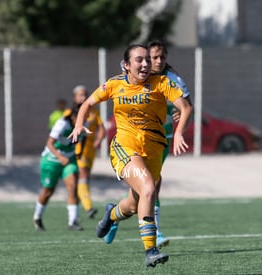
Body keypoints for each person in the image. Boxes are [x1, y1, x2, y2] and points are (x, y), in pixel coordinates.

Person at [68, 44, 192, 267]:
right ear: (126, 65)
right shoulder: (115, 84)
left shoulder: (161, 83)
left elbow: (185, 107)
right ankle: (150, 250)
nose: (145, 64)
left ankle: (112, 214)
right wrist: (78, 125)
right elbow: (88, 103)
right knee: (149, 189)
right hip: (124, 147)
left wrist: (180, 132)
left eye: (147, 60)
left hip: (153, 148)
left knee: (134, 205)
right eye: (139, 60)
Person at [104, 40, 192, 248]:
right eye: (154, 57)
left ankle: (114, 215)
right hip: (134, 141)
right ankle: (156, 234)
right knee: (151, 185)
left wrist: (179, 121)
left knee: (139, 196)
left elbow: (187, 107)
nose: (158, 61)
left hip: (162, 139)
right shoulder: (135, 79)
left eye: (162, 57)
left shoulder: (172, 79)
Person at [33, 104, 84, 232]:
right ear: (73, 116)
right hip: (51, 160)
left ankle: (73, 221)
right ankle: (37, 217)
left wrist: (79, 153)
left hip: (69, 160)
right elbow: (49, 143)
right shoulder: (62, 124)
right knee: (48, 191)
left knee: (72, 187)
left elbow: (84, 139)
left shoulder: (85, 124)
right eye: (80, 116)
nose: (83, 118)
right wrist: (60, 157)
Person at [70, 85, 106, 219]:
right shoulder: (72, 113)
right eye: (80, 95)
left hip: (90, 149)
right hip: (79, 149)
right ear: (75, 97)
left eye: (85, 94)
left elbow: (102, 129)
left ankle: (75, 214)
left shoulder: (93, 112)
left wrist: (98, 140)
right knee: (82, 176)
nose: (83, 97)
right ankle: (88, 207)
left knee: (83, 178)